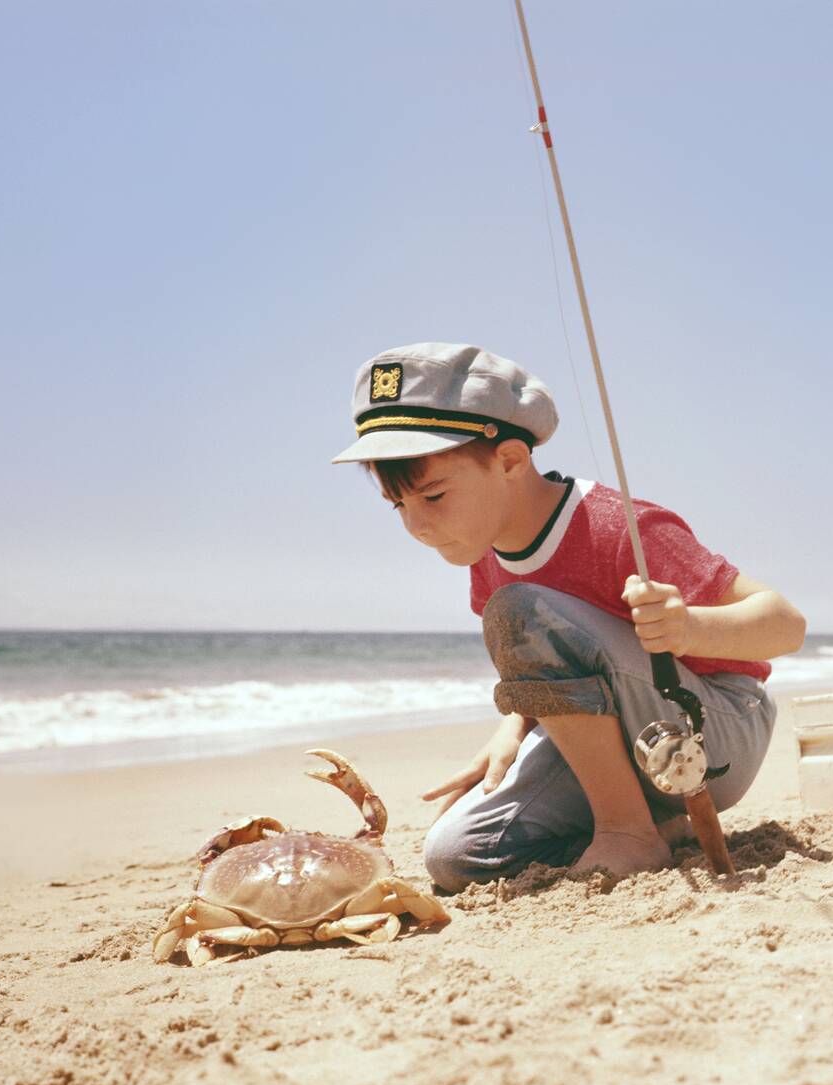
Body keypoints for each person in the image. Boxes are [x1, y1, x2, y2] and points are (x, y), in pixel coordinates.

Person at [332, 341, 806, 889]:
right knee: (457, 856)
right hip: (625, 751)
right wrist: (513, 729)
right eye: (399, 504)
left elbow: (787, 625)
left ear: (510, 460)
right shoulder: (485, 548)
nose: (415, 526)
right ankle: (659, 827)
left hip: (712, 735)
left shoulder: (616, 527)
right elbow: (550, 668)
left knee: (518, 610)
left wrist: (689, 627)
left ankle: (627, 832)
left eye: (433, 496)